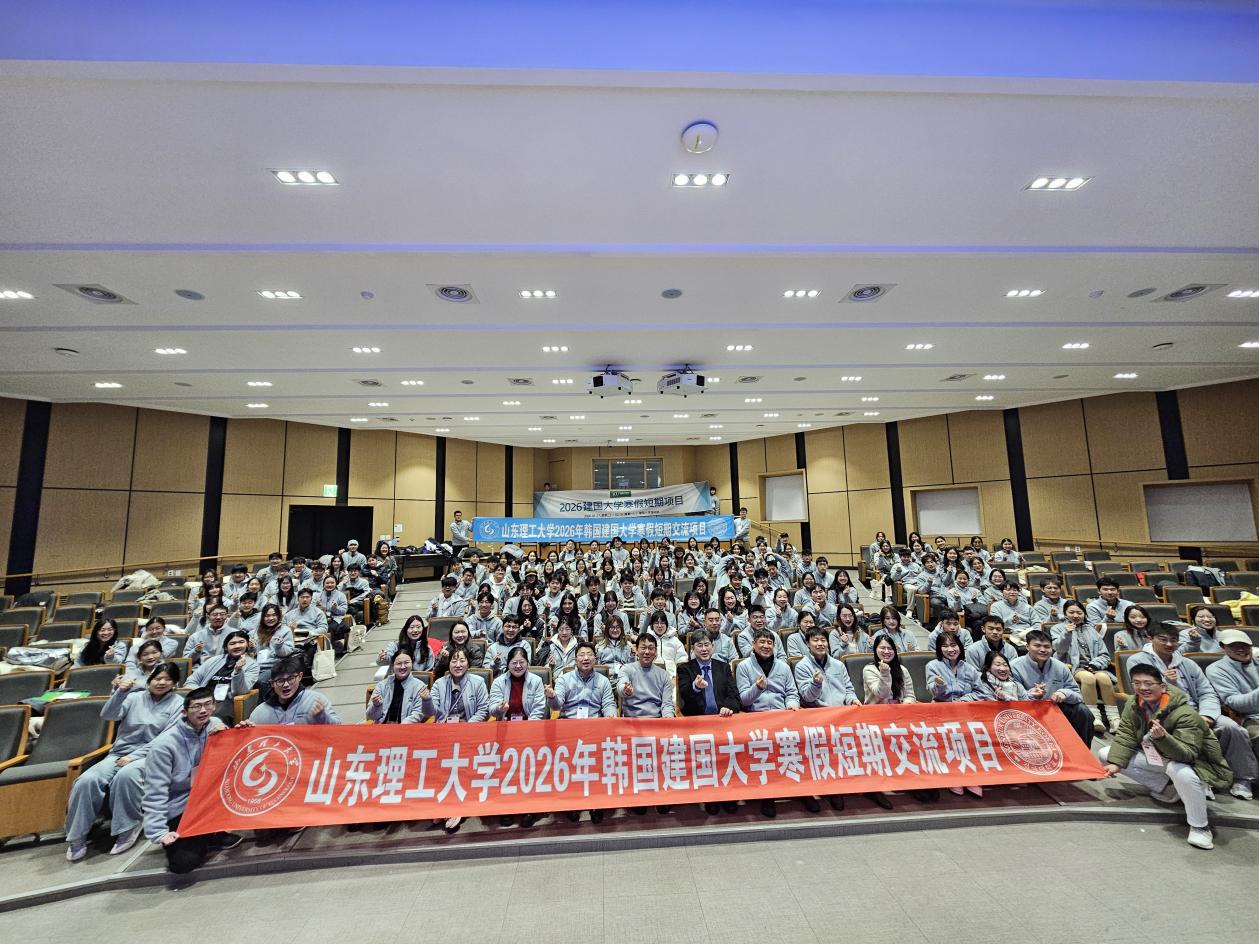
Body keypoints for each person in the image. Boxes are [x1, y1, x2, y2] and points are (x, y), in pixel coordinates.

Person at [1101, 663, 1231, 850]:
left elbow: (1188, 755)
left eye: (1148, 683)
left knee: (1179, 770)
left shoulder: (1185, 714)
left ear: (1162, 687)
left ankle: (1200, 827)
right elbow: (1126, 734)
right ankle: (1169, 789)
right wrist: (1116, 764)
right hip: (1161, 755)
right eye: (1137, 683)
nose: (1142, 688)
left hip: (1198, 764)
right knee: (1107, 755)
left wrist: (1163, 739)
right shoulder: (1134, 703)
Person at [65, 661, 184, 862]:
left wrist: (133, 757)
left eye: (167, 679)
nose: (162, 682)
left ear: (175, 683)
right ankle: (77, 834)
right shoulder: (134, 697)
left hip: (152, 755)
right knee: (87, 780)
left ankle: (128, 827)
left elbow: (167, 738)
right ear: (149, 680)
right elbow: (108, 714)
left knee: (127, 776)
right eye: (157, 678)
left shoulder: (178, 703)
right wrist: (119, 693)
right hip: (119, 753)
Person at [1129, 624, 1257, 800]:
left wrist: (1207, 715)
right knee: (1188, 732)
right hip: (1164, 713)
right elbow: (1144, 693)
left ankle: (1243, 779)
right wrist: (1170, 684)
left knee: (1233, 728)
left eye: (1173, 640)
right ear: (1150, 638)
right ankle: (1200, 779)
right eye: (1163, 639)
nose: (1169, 644)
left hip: (1197, 711)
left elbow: (1206, 692)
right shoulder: (1137, 660)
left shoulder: (1187, 663)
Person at [141, 687, 238, 874]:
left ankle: (210, 833)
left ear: (214, 706)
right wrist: (158, 831)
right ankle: (206, 834)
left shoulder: (215, 725)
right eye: (196, 706)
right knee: (182, 864)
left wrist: (239, 733)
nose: (203, 710)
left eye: (208, 704)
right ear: (184, 712)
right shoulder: (164, 745)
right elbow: (155, 791)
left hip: (207, 799)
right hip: (180, 805)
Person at [735, 627, 805, 816]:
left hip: (781, 716)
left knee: (799, 743)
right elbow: (743, 700)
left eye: (770, 643)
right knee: (764, 750)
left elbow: (792, 693)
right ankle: (768, 795)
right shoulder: (744, 667)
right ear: (753, 644)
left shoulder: (783, 667)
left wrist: (792, 706)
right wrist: (757, 688)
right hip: (756, 718)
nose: (766, 646)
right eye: (762, 642)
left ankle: (802, 790)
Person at [546, 642, 617, 823]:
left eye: (589, 654)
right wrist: (552, 697)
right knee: (567, 762)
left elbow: (609, 704)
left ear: (595, 658)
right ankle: (572, 802)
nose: (586, 658)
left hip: (595, 728)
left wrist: (611, 715)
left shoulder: (603, 681)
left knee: (600, 760)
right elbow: (557, 706)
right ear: (575, 659)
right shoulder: (564, 679)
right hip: (570, 728)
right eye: (582, 655)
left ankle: (597, 803)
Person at [794, 624, 860, 818]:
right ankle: (828, 789)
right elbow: (806, 697)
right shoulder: (802, 666)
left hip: (841, 715)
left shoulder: (838, 665)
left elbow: (848, 689)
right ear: (807, 644)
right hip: (818, 716)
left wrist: (852, 700)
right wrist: (816, 684)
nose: (820, 643)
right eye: (815, 640)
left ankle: (845, 786)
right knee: (823, 754)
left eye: (823, 640)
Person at [861, 635, 920, 807]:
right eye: (882, 648)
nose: (886, 651)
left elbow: (910, 695)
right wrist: (885, 672)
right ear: (875, 650)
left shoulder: (903, 670)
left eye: (890, 648)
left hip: (899, 716)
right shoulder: (869, 669)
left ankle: (910, 781)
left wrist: (905, 705)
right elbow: (881, 694)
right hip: (875, 717)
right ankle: (875, 788)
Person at [927, 632, 987, 797]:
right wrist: (939, 685)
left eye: (953, 645)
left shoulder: (969, 668)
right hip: (941, 709)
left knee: (973, 735)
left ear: (960, 647)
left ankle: (971, 776)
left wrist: (962, 700)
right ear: (939, 649)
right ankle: (954, 776)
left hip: (964, 710)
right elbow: (933, 691)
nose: (950, 649)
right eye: (945, 646)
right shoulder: (932, 666)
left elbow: (981, 692)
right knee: (949, 735)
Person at [1011, 629, 1094, 747]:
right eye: (1037, 646)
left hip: (1055, 708)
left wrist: (1064, 693)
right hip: (1027, 710)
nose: (1042, 650)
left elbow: (1077, 695)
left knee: (1083, 712)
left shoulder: (1060, 666)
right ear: (1027, 646)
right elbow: (1013, 697)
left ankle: (1082, 751)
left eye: (1047, 646)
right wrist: (1031, 694)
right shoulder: (1014, 666)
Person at [1203, 628, 1259, 800]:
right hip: (1249, 716)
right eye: (1234, 646)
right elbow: (1234, 702)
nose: (1241, 649)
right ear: (1223, 647)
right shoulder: (1216, 669)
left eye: (1245, 645)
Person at [1050, 600, 1118, 733]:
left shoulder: (1091, 630)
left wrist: (1095, 664)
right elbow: (1059, 649)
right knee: (1088, 678)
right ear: (1065, 614)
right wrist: (1066, 634)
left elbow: (1104, 654)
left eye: (1079, 612)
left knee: (1104, 678)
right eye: (1071, 612)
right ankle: (1094, 717)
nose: (1075, 615)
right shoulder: (1057, 628)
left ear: (1084, 614)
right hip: (1072, 667)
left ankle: (1114, 719)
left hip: (1093, 666)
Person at [244, 655, 340, 725]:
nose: (286, 685)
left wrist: (323, 717)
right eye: (280, 681)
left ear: (300, 677)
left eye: (291, 679)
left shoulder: (315, 700)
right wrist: (245, 731)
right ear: (272, 683)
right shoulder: (260, 712)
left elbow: (338, 728)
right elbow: (253, 739)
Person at [187, 629, 259, 722]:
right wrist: (201, 695)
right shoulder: (213, 660)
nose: (237, 646)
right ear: (226, 647)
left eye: (241, 642)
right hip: (203, 698)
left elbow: (240, 691)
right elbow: (191, 681)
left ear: (247, 645)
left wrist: (238, 671)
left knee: (213, 719)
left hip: (227, 702)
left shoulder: (252, 665)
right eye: (232, 643)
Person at [367, 649, 425, 724]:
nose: (403, 667)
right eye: (398, 663)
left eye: (406, 663)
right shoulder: (382, 685)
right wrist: (376, 706)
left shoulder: (420, 686)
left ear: (412, 663)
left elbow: (417, 714)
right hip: (382, 727)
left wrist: (400, 727)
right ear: (392, 665)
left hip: (406, 727)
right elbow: (371, 716)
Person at [249, 602, 293, 684]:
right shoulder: (255, 632)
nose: (271, 618)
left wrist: (279, 646)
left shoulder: (285, 630)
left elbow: (287, 652)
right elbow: (251, 653)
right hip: (257, 666)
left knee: (259, 681)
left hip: (275, 666)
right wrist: (250, 647)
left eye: (274, 615)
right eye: (267, 616)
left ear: (278, 616)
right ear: (263, 617)